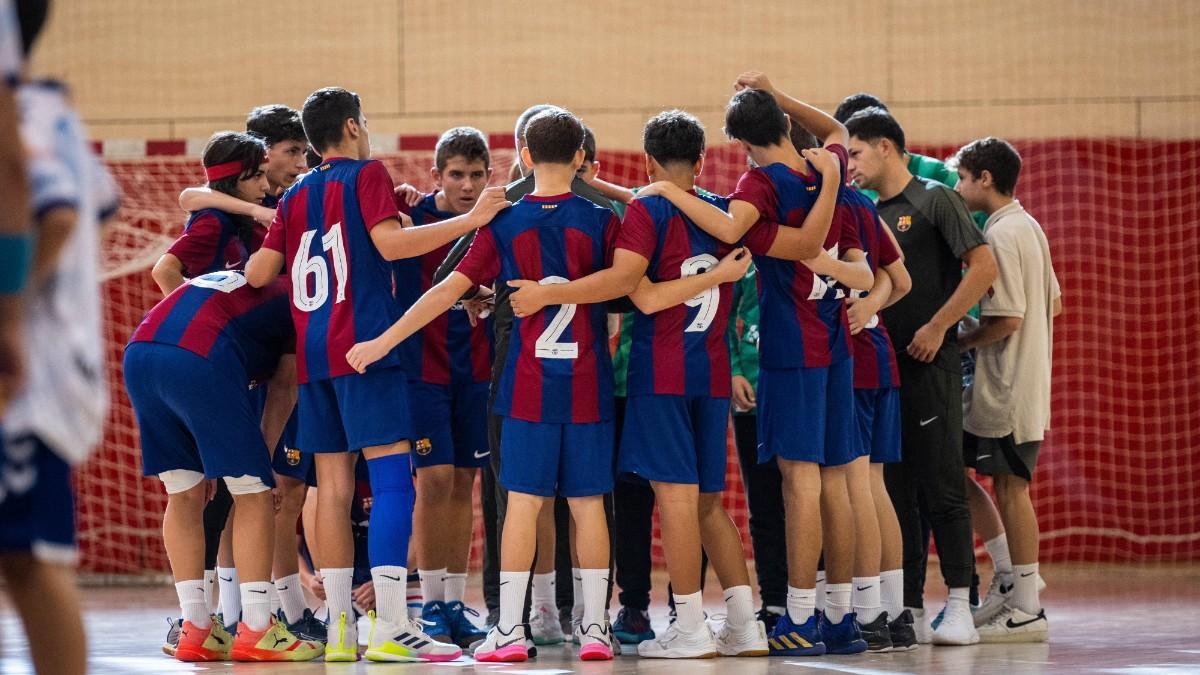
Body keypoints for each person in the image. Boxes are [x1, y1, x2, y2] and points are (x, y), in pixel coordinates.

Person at [347, 107, 644, 663]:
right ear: (581, 156)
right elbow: (629, 281)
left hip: (526, 387)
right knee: (588, 506)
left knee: (523, 506)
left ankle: (509, 629)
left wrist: (384, 340)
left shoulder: (505, 221)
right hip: (588, 385)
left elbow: (444, 289)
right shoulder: (602, 219)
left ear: (524, 157)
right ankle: (596, 628)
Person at [245, 86, 506, 662]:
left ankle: (341, 628)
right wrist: (474, 219)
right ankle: (390, 624)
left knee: (331, 489)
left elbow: (260, 272)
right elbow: (391, 246)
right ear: (352, 127)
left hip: (313, 358)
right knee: (392, 482)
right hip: (365, 348)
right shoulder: (366, 175)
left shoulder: (295, 194)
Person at [643, 73, 873, 656]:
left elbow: (728, 227)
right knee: (837, 481)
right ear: (786, 123)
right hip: (837, 343)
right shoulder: (830, 166)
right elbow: (838, 127)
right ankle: (841, 618)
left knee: (801, 484)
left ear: (741, 142)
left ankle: (799, 615)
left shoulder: (762, 184)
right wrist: (778, 92)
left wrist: (665, 190)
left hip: (793, 345)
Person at [612, 109, 765, 659]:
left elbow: (648, 298)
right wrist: (720, 276)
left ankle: (691, 627)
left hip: (662, 373)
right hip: (712, 373)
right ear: (701, 161)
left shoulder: (647, 210)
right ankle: (745, 625)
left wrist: (714, 276)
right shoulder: (726, 213)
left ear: (648, 161)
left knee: (675, 502)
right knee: (707, 504)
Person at [844, 107, 998, 645]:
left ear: (885, 146)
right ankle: (906, 606)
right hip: (883, 372)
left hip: (931, 365)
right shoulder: (866, 210)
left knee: (943, 485)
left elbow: (984, 267)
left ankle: (959, 604)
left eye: (856, 153)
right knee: (895, 491)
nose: (850, 165)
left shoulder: (936, 199)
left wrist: (938, 326)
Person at [124, 272, 323, 663]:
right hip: (199, 357)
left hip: (140, 353)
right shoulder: (303, 297)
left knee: (184, 494)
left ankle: (195, 628)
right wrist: (263, 462)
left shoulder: (241, 281)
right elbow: (284, 386)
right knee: (254, 492)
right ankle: (258, 628)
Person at [0, 10, 107, 669]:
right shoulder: (52, 112)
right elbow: (101, 204)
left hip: (29, 376)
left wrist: (8, 312)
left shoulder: (26, 118)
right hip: (56, 362)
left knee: (30, 559)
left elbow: (59, 213)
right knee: (24, 558)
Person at [954, 137, 1060, 642]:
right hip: (1016, 381)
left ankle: (1028, 607)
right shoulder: (1028, 225)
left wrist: (960, 338)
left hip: (1009, 387)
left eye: (963, 178)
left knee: (1013, 489)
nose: (958, 187)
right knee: (959, 472)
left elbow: (1009, 319)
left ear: (985, 179)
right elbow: (1053, 303)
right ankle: (1011, 583)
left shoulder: (1000, 235)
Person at [393, 126, 493, 649]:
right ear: (436, 175)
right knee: (432, 481)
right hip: (421, 372)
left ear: (489, 176)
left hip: (476, 371)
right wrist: (398, 197)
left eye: (476, 175)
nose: (467, 185)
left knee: (463, 484)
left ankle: (454, 601)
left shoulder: (495, 219)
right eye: (456, 175)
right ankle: (429, 603)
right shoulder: (411, 216)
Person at [840, 178, 914, 651]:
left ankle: (868, 616)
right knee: (875, 485)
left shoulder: (820, 207)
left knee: (856, 487)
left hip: (852, 360)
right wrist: (872, 303)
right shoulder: (864, 205)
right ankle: (895, 613)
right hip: (880, 355)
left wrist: (863, 301)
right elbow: (900, 279)